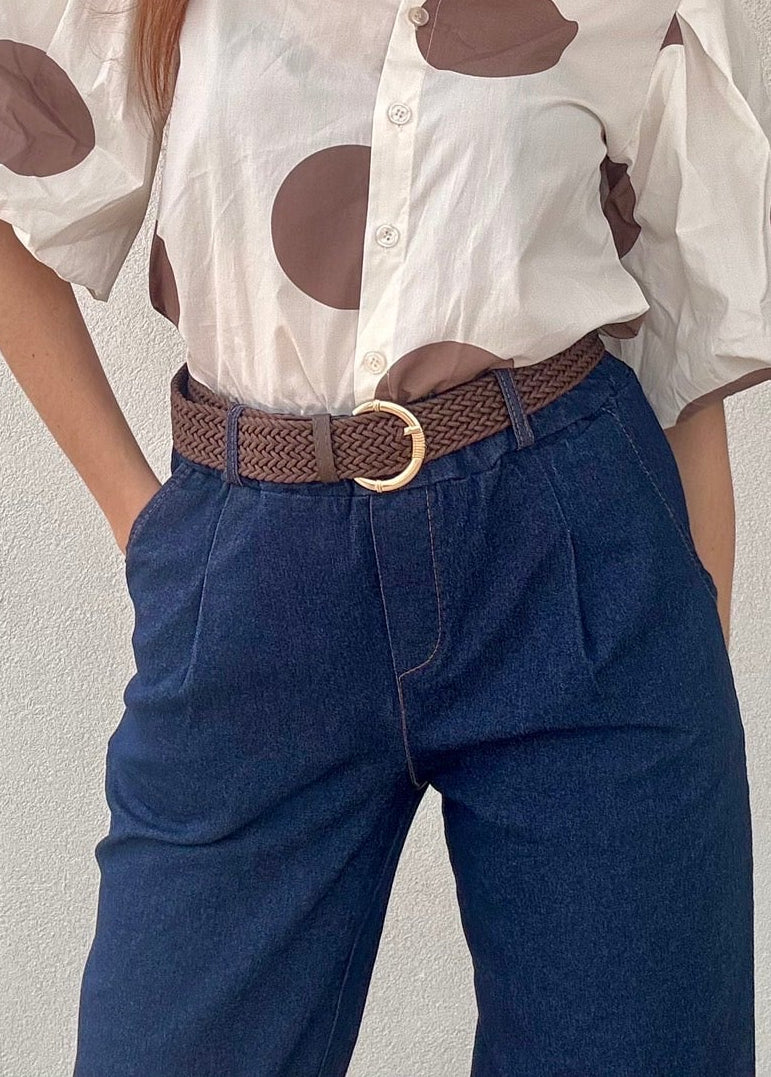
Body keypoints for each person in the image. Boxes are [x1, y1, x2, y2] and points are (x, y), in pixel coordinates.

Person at [1, 0, 769, 1073]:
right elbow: (14, 194)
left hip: (575, 566)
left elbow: (687, 351)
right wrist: (147, 525)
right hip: (253, 577)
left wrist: (695, 637)